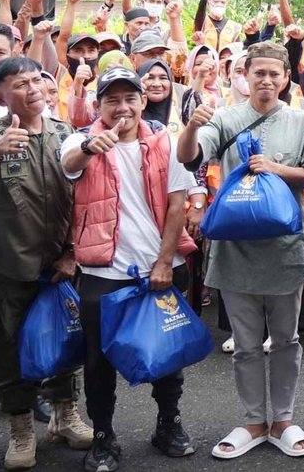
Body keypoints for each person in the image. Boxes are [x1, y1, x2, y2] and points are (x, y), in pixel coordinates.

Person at [175, 41, 304, 461]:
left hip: (284, 251)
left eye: (275, 74)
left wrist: (276, 169)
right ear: (245, 75)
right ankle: (254, 421)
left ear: (286, 78)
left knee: (287, 339)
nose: (267, 81)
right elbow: (189, 157)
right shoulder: (225, 117)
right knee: (245, 343)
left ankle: (284, 420)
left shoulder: (303, 121)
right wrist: (191, 127)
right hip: (234, 249)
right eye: (259, 73)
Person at [59, 66, 199, 472]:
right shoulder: (80, 139)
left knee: (167, 352)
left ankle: (168, 424)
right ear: (98, 104)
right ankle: (103, 435)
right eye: (112, 100)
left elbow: (177, 204)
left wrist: (164, 262)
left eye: (130, 98)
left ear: (142, 101)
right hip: (103, 273)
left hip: (159, 268)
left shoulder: (163, 142)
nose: (122, 107)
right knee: (98, 361)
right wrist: (91, 148)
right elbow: (69, 164)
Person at [0, 57, 93, 470]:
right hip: (9, 264)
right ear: (0, 95)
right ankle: (20, 429)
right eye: (20, 84)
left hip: (61, 262)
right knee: (9, 347)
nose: (33, 89)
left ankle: (65, 414)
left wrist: (72, 253)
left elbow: (88, 198)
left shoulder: (67, 135)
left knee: (66, 336)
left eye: (36, 80)